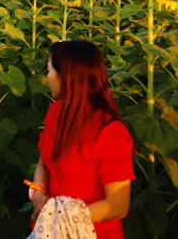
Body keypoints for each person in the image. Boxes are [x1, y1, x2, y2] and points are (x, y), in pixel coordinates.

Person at [30, 40, 135, 238]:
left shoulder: (110, 132)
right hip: (52, 232)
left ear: (66, 77)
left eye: (49, 70)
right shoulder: (55, 113)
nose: (47, 77)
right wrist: (38, 192)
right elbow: (43, 165)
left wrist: (61, 217)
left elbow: (118, 205)